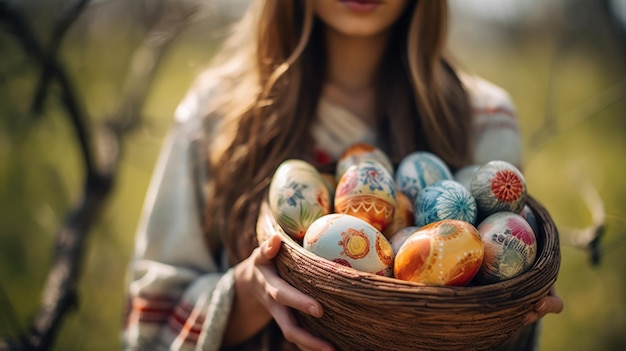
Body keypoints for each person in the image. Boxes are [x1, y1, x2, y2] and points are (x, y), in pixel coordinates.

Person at [122, 1, 564, 350]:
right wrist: (247, 295)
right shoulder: (218, 114)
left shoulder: (483, 118)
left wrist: (507, 309)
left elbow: (502, 253)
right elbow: (149, 317)